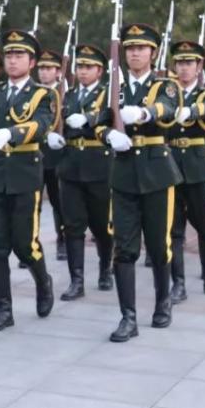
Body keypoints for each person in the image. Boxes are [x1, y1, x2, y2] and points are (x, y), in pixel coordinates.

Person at [0, 29, 57, 332]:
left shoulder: (43, 94)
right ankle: (4, 309)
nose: (13, 60)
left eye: (19, 55)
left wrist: (13, 133)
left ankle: (43, 281)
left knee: (25, 244)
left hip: (24, 174)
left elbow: (42, 125)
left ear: (32, 62)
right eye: (9, 55)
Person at [99, 23, 183, 342]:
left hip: (157, 173)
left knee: (159, 246)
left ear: (153, 53)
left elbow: (168, 108)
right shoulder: (114, 88)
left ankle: (163, 302)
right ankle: (128, 317)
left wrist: (144, 114)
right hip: (123, 174)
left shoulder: (165, 85)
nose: (134, 53)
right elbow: (99, 122)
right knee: (124, 248)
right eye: (130, 48)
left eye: (141, 48)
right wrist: (109, 136)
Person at [55, 44, 114, 300]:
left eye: (88, 67)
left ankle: (106, 268)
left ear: (100, 70)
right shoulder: (68, 95)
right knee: (72, 226)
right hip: (70, 166)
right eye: (80, 66)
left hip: (98, 165)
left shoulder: (108, 93)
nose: (82, 71)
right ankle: (76, 281)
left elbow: (110, 114)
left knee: (102, 225)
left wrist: (89, 120)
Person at [167, 41, 205, 301]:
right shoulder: (167, 93)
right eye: (180, 62)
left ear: (199, 66)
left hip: (198, 165)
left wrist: (190, 110)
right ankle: (178, 283)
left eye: (189, 63)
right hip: (171, 165)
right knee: (174, 229)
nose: (184, 67)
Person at [35, 48, 68, 262]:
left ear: (58, 72)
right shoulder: (33, 93)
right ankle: (31, 243)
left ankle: (62, 240)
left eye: (49, 68)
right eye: (41, 68)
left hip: (57, 157)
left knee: (59, 203)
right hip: (36, 155)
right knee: (33, 203)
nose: (44, 72)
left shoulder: (64, 93)